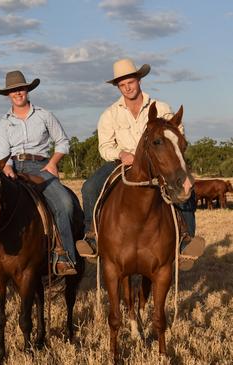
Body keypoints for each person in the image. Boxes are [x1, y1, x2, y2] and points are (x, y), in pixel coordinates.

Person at [76, 58, 205, 269]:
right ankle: (92, 235)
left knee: (185, 184)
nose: (127, 87)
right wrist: (121, 153)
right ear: (118, 87)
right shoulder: (110, 114)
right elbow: (104, 146)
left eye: (131, 82)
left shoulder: (161, 107)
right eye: (122, 84)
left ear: (139, 81)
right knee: (89, 187)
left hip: (159, 162)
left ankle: (185, 240)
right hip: (123, 164)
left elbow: (176, 133)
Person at [0, 70, 78, 276]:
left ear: (27, 90)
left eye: (21, 89)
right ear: (8, 95)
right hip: (12, 167)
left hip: (40, 166)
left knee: (65, 203)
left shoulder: (44, 115)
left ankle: (64, 254)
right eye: (13, 91)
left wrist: (53, 163)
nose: (18, 93)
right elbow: (3, 153)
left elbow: (62, 141)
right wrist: (7, 167)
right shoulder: (4, 122)